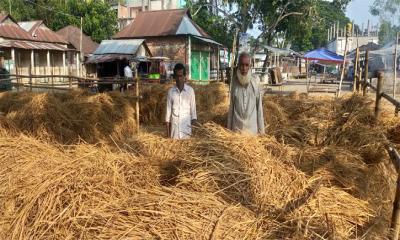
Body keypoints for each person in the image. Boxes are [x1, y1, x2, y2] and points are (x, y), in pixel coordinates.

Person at [227, 52, 265, 135]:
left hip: (252, 133)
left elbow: (259, 108)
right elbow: (231, 109)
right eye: (242, 65)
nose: (244, 68)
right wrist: (228, 131)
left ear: (250, 66)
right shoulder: (234, 83)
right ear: (238, 66)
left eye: (247, 65)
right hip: (236, 132)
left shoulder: (255, 83)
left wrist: (262, 132)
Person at [165, 63, 197, 140]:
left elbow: (193, 114)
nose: (179, 79)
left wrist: (193, 135)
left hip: (186, 134)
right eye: (177, 76)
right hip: (174, 134)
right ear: (174, 77)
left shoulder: (190, 91)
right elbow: (167, 116)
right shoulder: (171, 92)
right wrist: (168, 136)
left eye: (181, 76)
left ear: (184, 76)